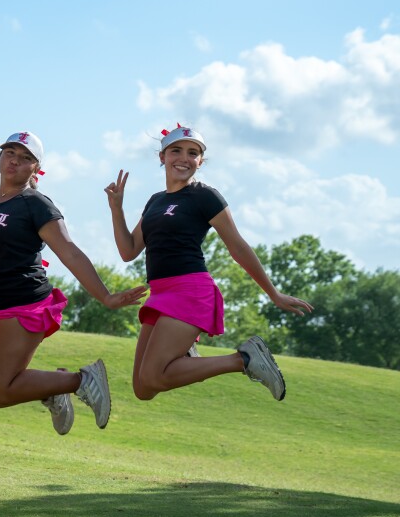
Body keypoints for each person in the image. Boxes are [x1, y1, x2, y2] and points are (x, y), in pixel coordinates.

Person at [0, 131, 147, 434]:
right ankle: (53, 389)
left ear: (36, 170)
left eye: (26, 158)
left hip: (22, 301)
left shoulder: (36, 205)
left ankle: (82, 379)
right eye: (10, 153)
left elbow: (70, 253)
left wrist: (106, 297)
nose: (15, 161)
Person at [105, 124, 312, 402]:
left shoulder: (205, 196)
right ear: (162, 156)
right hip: (161, 293)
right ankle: (190, 354)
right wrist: (117, 209)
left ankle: (244, 360)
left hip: (190, 290)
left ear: (200, 161)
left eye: (193, 153)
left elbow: (237, 246)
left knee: (153, 376)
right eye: (176, 150)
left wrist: (272, 292)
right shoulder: (155, 201)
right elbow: (129, 251)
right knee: (143, 389)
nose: (184, 158)